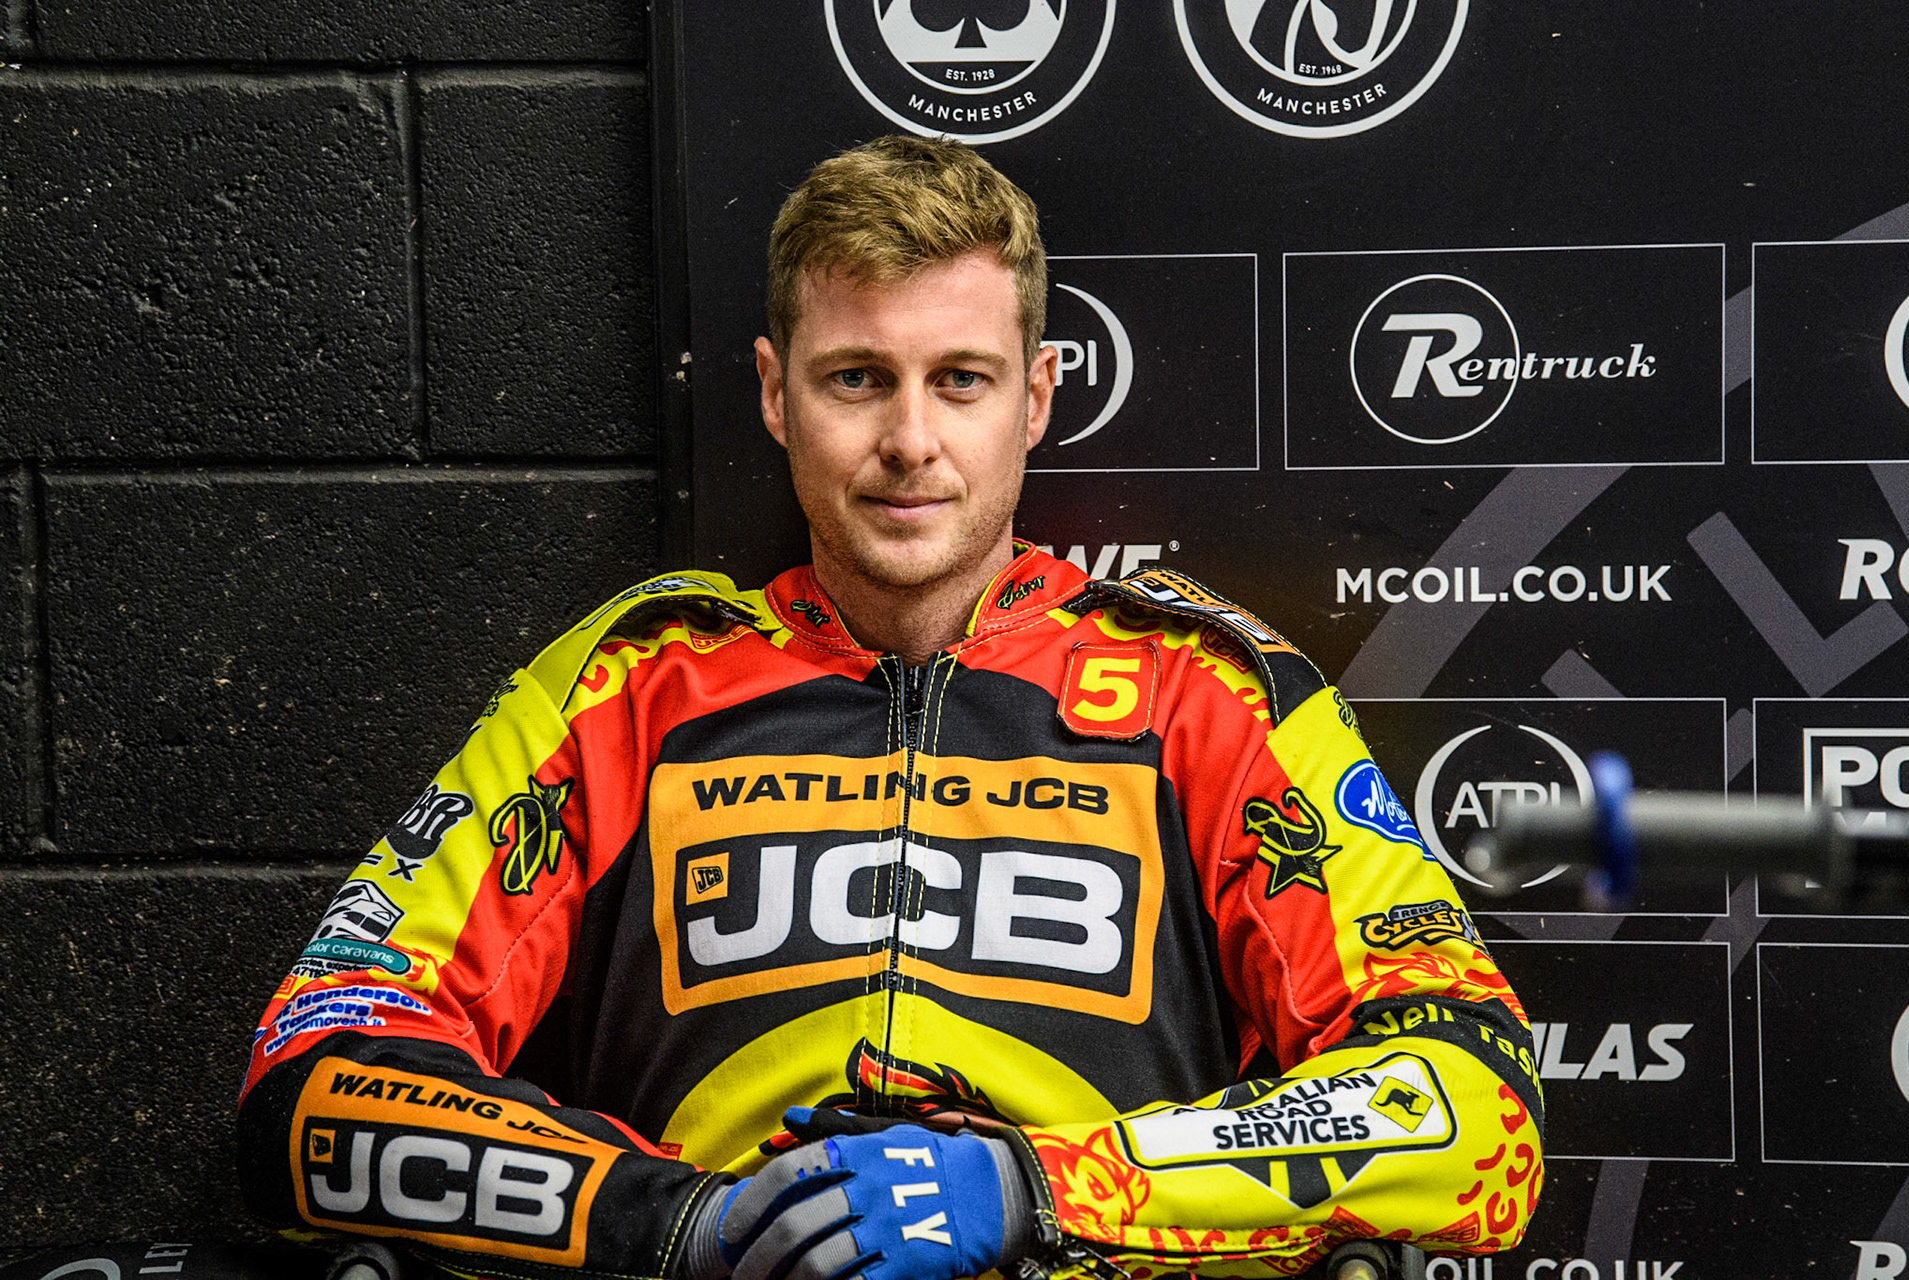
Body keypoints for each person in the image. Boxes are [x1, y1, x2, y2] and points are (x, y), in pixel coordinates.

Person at [236, 135, 1544, 1280]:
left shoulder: (1211, 694)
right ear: (772, 392)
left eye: (961, 381)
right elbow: (316, 1076)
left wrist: (1045, 1192)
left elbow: (1474, 1100)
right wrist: (676, 1225)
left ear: (1034, 399)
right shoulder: (624, 686)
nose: (910, 438)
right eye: (856, 378)